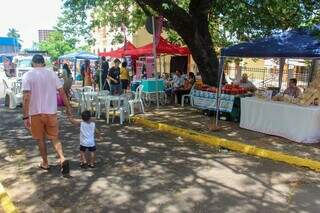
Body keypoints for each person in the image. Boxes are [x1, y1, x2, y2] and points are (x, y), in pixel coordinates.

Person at [22, 54, 71, 175]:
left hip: (35, 113)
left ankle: (45, 163)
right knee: (54, 137)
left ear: (33, 63)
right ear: (43, 63)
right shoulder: (52, 74)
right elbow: (62, 92)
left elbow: (26, 97)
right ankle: (62, 158)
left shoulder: (28, 75)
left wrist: (25, 116)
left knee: (40, 139)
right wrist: (68, 107)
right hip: (51, 112)